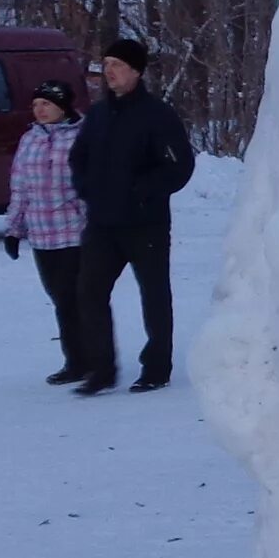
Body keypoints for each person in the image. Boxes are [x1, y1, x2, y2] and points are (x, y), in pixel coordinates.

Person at [66, 36, 194, 396]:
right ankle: (102, 368)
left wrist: (141, 191)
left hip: (145, 223)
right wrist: (85, 186)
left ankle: (156, 367)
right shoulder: (98, 115)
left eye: (118, 65)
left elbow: (179, 166)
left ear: (137, 71)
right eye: (106, 65)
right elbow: (79, 157)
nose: (109, 72)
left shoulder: (158, 115)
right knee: (89, 292)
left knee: (153, 295)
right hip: (103, 224)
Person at [2, 79, 89, 383]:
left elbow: (91, 184)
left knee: (73, 297)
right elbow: (20, 186)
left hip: (74, 232)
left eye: (47, 104)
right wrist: (13, 229)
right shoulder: (30, 140)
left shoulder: (81, 136)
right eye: (36, 105)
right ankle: (75, 358)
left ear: (62, 107)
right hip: (41, 234)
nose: (40, 110)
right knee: (59, 298)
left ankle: (86, 359)